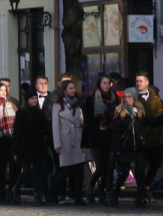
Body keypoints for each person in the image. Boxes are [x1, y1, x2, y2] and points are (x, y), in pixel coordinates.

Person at [81, 73, 118, 204]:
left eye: (108, 83)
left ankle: (107, 193)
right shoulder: (91, 98)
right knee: (101, 167)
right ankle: (90, 188)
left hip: (110, 136)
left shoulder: (114, 98)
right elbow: (88, 122)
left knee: (110, 167)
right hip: (96, 138)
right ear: (99, 84)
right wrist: (86, 142)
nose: (107, 86)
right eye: (104, 83)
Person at [12, 87, 52, 204]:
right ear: (27, 100)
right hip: (26, 146)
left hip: (39, 146)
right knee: (27, 171)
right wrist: (15, 150)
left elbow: (45, 128)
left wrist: (46, 138)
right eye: (32, 98)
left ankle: (38, 194)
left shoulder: (40, 113)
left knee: (39, 171)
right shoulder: (21, 113)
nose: (34, 101)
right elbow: (17, 133)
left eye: (35, 98)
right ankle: (16, 188)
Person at [110, 87, 148, 207]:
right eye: (125, 97)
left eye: (129, 97)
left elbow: (149, 122)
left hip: (138, 147)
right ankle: (114, 194)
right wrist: (116, 150)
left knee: (140, 173)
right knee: (124, 173)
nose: (127, 99)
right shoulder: (120, 112)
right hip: (125, 147)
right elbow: (116, 133)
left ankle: (140, 198)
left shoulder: (140, 111)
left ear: (134, 98)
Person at [52, 79, 86, 205]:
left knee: (79, 169)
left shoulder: (78, 104)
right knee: (66, 170)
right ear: (65, 90)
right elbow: (55, 126)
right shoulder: (58, 105)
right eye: (70, 88)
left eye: (74, 88)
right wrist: (57, 144)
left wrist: (84, 142)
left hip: (77, 137)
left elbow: (82, 121)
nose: (73, 90)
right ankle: (53, 188)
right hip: (65, 139)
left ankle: (78, 196)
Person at [133, 71, 163, 200]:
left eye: (141, 81)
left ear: (147, 83)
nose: (138, 83)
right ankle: (141, 190)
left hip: (153, 137)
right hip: (139, 138)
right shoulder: (133, 97)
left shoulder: (156, 98)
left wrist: (160, 119)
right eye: (137, 81)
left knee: (155, 163)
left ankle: (146, 185)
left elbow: (159, 114)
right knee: (139, 165)